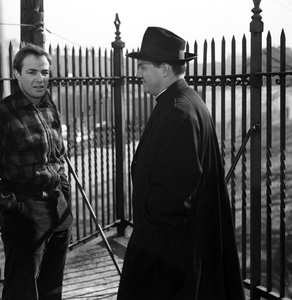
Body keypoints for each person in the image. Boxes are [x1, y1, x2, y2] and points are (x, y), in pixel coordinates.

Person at [117, 27, 246, 300]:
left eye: (143, 67)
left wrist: (143, 241)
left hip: (167, 254)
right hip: (175, 247)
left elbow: (173, 196)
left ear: (164, 69)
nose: (138, 73)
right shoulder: (181, 101)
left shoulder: (178, 110)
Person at [0, 43, 73, 300]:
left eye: (45, 72)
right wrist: (15, 209)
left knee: (52, 285)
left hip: (58, 208)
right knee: (22, 289)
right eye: (32, 72)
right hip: (26, 211)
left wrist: (63, 191)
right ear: (17, 74)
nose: (40, 79)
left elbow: (58, 156)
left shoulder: (49, 108)